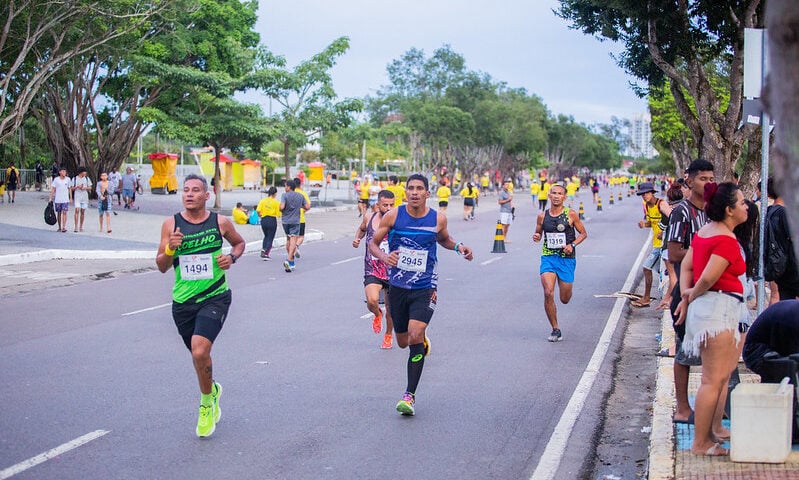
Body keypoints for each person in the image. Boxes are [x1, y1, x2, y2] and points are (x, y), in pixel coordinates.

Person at [368, 174, 473, 416]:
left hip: (426, 286)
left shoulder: (438, 218)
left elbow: (444, 240)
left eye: (419, 189)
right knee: (403, 341)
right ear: (405, 193)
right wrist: (384, 257)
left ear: (427, 193)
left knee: (415, 334)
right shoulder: (393, 216)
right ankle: (420, 343)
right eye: (411, 188)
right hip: (398, 287)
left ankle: (409, 396)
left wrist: (459, 247)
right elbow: (373, 243)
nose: (414, 192)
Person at [156, 173, 245, 438]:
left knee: (199, 350)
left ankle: (206, 403)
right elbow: (161, 266)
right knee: (198, 356)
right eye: (186, 190)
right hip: (183, 301)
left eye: (196, 190)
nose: (190, 194)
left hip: (215, 295)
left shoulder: (220, 222)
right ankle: (213, 389)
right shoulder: (171, 224)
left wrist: (232, 258)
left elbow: (239, 243)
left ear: (207, 195)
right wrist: (171, 249)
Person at [674, 182, 749, 457]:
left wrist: (686, 294)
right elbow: (706, 277)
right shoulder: (725, 240)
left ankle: (712, 431)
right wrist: (691, 293)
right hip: (716, 310)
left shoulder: (705, 233)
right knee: (712, 379)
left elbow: (688, 266)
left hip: (715, 309)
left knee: (721, 376)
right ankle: (700, 443)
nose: (746, 207)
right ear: (729, 210)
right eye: (741, 203)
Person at [666, 158, 715, 425]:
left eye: (711, 179)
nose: (707, 184)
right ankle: (683, 408)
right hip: (687, 293)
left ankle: (713, 408)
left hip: (712, 292)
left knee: (713, 352)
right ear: (690, 181)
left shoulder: (714, 210)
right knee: (685, 352)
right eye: (702, 179)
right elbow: (674, 252)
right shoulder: (682, 212)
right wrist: (708, 258)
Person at [533, 182, 588, 342]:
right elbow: (538, 233)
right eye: (554, 193)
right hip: (548, 257)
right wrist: (536, 237)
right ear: (549, 195)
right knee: (548, 292)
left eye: (559, 194)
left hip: (566, 259)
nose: (556, 196)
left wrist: (572, 245)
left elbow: (583, 233)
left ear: (564, 197)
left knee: (564, 299)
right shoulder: (542, 216)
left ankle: (565, 293)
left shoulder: (571, 214)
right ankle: (555, 329)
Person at [742, 300, 799, 442]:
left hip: (776, 345)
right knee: (787, 373)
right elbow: (791, 358)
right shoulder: (792, 321)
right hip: (757, 352)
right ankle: (786, 427)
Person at [353, 189, 395, 349]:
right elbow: (362, 229)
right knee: (371, 300)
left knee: (392, 310)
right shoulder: (369, 218)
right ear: (377, 205)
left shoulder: (397, 220)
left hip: (393, 271)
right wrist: (357, 238)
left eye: (392, 205)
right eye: (385, 205)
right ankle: (377, 313)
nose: (389, 208)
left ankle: (388, 335)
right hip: (373, 269)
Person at [633, 182, 672, 307]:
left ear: (652, 193)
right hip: (656, 243)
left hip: (663, 244)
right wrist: (644, 224)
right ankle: (666, 297)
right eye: (642, 194)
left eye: (647, 193)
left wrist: (663, 230)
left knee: (646, 268)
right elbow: (652, 223)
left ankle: (646, 298)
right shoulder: (648, 206)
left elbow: (672, 218)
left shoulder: (661, 204)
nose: (644, 196)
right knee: (663, 272)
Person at [764, 177, 799, 302]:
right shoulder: (784, 213)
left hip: (779, 266)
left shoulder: (769, 211)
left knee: (784, 300)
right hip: (792, 267)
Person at [279, 179, 309, 272]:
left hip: (285, 221)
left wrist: (282, 209)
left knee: (288, 239)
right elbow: (307, 207)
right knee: (293, 239)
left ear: (288, 187)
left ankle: (291, 261)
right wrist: (300, 207)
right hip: (295, 221)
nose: (285, 188)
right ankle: (288, 259)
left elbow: (281, 207)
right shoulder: (300, 196)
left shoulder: (284, 196)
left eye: (285, 186)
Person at [256, 186, 281, 260]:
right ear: (275, 193)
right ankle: (266, 254)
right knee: (270, 237)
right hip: (272, 219)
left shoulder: (263, 201)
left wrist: (260, 216)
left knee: (266, 235)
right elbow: (279, 214)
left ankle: (263, 248)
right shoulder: (276, 202)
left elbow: (258, 210)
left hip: (264, 219)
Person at [293, 177, 312, 259]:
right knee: (301, 236)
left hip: (290, 218)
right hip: (300, 218)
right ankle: (296, 246)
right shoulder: (303, 194)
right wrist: (303, 210)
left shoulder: (290, 193)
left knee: (292, 236)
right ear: (300, 184)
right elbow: (308, 206)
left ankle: (291, 250)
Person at [49, 166, 71, 232]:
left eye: (65, 171)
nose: (64, 173)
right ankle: (59, 226)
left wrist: (71, 197)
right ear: (60, 172)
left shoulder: (68, 179)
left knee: (65, 212)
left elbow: (69, 188)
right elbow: (53, 189)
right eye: (63, 171)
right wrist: (50, 197)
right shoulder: (56, 180)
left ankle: (64, 226)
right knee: (59, 212)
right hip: (58, 199)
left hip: (65, 199)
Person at [71, 166, 92, 232]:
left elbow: (90, 187)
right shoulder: (74, 179)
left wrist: (84, 188)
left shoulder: (87, 178)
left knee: (82, 211)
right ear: (81, 172)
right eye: (84, 171)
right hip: (77, 196)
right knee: (77, 210)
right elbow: (71, 188)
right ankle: (76, 226)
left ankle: (81, 226)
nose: (85, 173)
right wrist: (77, 187)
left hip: (84, 196)